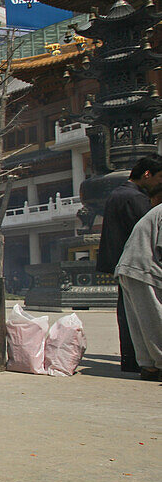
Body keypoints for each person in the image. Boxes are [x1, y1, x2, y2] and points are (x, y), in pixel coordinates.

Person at [96, 155, 162, 372]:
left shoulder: (118, 193)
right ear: (147, 174)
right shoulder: (137, 199)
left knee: (132, 318)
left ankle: (140, 363)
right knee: (151, 319)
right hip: (141, 265)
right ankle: (153, 363)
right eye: (159, 177)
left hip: (124, 264)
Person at [114, 202, 162, 381]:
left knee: (141, 321)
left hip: (131, 266)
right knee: (155, 319)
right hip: (144, 266)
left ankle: (149, 367)